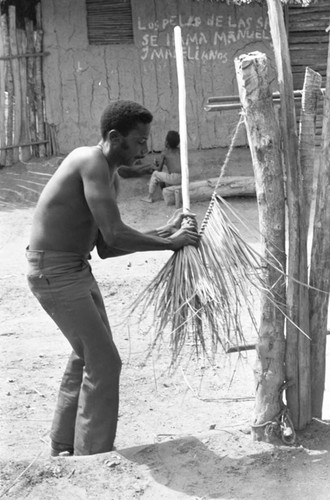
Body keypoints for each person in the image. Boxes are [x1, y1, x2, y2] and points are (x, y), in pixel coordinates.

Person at [25, 100, 199, 457]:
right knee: (105, 362)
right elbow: (116, 236)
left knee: (85, 356)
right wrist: (168, 242)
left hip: (74, 269)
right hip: (54, 271)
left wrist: (164, 231)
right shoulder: (90, 161)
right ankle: (93, 456)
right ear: (115, 137)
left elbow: (106, 245)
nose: (144, 148)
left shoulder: (110, 175)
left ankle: (64, 445)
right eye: (138, 141)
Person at [141, 130, 181, 203]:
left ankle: (149, 197)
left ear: (167, 143)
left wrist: (153, 166)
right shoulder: (180, 151)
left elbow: (159, 169)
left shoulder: (165, 153)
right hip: (183, 178)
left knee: (156, 174)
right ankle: (164, 194)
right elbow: (173, 163)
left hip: (173, 178)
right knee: (163, 174)